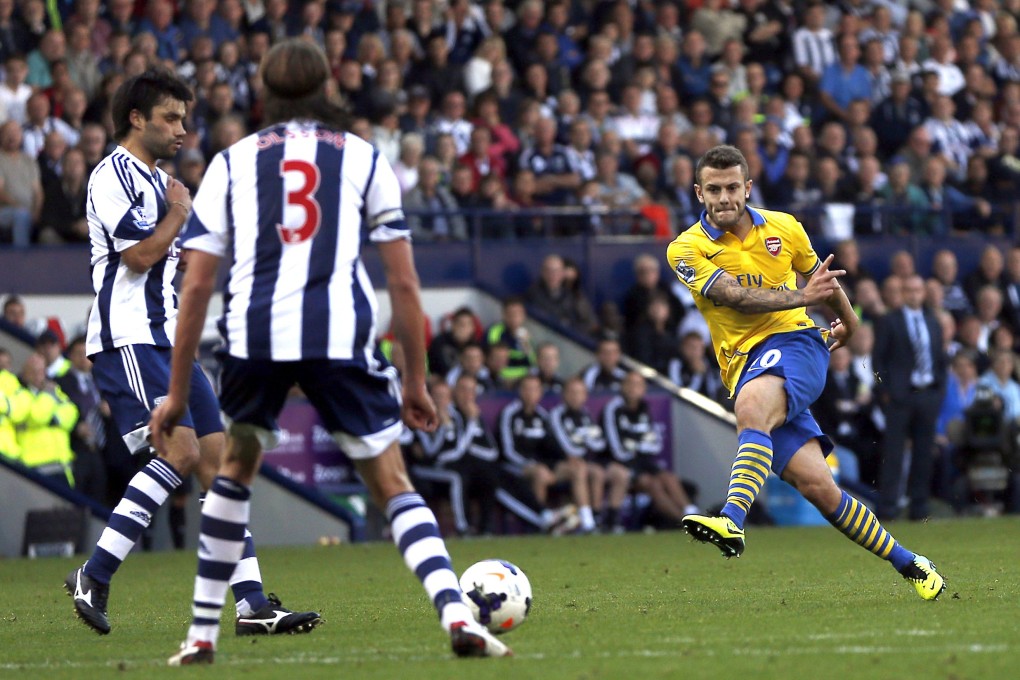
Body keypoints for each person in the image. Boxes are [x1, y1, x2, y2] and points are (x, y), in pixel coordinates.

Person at [148, 40, 511, 664]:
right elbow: (403, 283)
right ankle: (459, 616)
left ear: (264, 89)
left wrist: (178, 394)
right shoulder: (364, 158)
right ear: (326, 88)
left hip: (256, 337)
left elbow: (198, 286)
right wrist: (416, 381)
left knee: (233, 475)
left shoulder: (232, 162)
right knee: (392, 483)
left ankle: (201, 635)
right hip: (337, 335)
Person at [64, 68, 320, 639]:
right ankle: (94, 573)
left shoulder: (158, 180)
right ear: (137, 118)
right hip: (129, 337)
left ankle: (253, 605)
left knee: (220, 467)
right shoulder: (114, 175)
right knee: (178, 452)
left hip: (168, 339)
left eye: (185, 118)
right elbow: (137, 257)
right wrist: (180, 214)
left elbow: (171, 259)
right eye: (171, 118)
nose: (183, 129)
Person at [666, 144, 946, 600]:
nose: (724, 198)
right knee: (820, 488)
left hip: (797, 345)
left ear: (747, 187)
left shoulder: (784, 227)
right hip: (745, 365)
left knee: (751, 407)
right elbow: (734, 296)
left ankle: (732, 520)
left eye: (732, 187)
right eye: (713, 189)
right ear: (699, 193)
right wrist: (804, 296)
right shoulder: (684, 248)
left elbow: (823, 282)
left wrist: (851, 323)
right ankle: (911, 562)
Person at [498, 374, 596, 533]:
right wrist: (532, 465)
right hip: (516, 466)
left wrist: (566, 459)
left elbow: (552, 446)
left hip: (544, 464)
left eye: (535, 389)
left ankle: (588, 522)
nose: (531, 393)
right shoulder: (509, 414)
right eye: (527, 389)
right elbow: (507, 450)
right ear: (520, 391)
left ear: (540, 393)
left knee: (578, 467)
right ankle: (540, 523)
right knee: (540, 474)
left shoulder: (542, 415)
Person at [601, 371, 697, 528]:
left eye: (638, 385)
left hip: (642, 461)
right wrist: (639, 445)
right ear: (622, 387)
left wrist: (636, 444)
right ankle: (683, 522)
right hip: (620, 462)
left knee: (669, 478)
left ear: (643, 389)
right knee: (653, 485)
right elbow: (616, 447)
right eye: (630, 384)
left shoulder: (644, 408)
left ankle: (692, 513)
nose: (633, 388)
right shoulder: (613, 409)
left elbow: (653, 443)